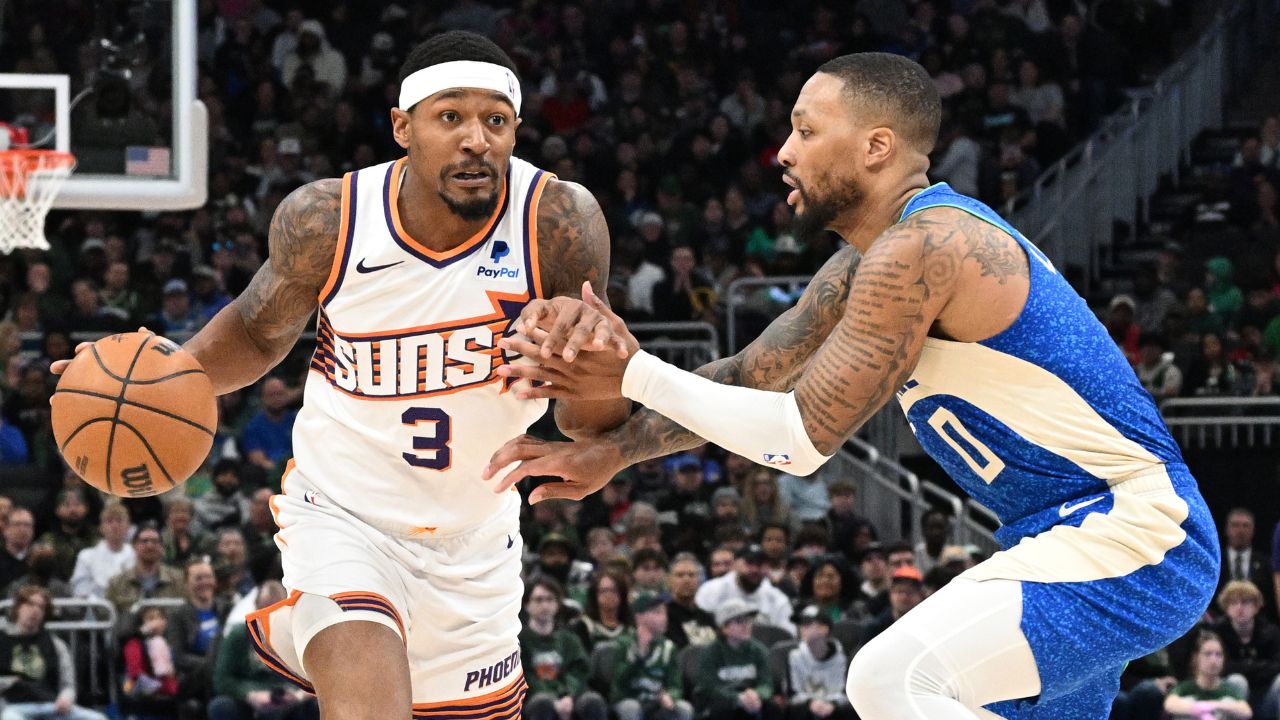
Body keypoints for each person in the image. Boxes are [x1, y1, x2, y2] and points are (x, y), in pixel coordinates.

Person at [486, 51, 1218, 719]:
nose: (783, 152)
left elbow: (799, 439)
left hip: (1132, 531)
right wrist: (616, 452)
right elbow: (749, 375)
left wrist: (635, 372)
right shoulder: (866, 264)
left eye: (806, 131)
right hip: (1057, 537)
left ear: (876, 148)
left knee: (890, 680)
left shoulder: (924, 248)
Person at [52, 30, 631, 720]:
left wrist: (596, 374)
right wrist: (161, 379)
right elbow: (257, 331)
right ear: (402, 128)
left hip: (476, 542)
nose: (476, 138)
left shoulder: (558, 221)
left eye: (495, 121)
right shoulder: (330, 219)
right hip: (344, 518)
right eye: (450, 117)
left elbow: (582, 425)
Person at [0, 585, 108, 720]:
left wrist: (66, 698)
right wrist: (9, 682)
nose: (35, 611)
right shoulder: (2, 639)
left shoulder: (56, 644)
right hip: (11, 706)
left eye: (41, 607)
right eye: (30, 604)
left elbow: (68, 685)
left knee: (98, 718)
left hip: (50, 705)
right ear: (18, 607)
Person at [519, 578, 607, 720]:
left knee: (593, 700)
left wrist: (568, 696)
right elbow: (524, 678)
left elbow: (580, 671)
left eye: (550, 600)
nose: (545, 605)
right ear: (527, 605)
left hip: (569, 697)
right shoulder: (519, 641)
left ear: (557, 605)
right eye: (539, 600)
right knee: (542, 702)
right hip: (533, 700)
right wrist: (554, 700)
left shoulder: (569, 639)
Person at [606, 591, 693, 720]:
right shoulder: (623, 644)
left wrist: (670, 696)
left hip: (656, 701)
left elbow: (675, 684)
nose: (664, 618)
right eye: (657, 613)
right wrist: (639, 655)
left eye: (664, 612)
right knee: (631, 707)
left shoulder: (669, 647)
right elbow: (619, 683)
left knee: (684, 708)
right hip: (628, 699)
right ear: (639, 617)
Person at [693, 598, 778, 720]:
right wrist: (737, 699)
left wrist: (757, 694)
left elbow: (766, 683)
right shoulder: (710, 653)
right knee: (723, 709)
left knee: (772, 708)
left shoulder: (759, 650)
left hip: (751, 700)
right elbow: (709, 688)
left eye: (748, 621)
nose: (746, 625)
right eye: (739, 621)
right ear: (724, 628)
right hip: (721, 704)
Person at [785, 606, 855, 720]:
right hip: (806, 711)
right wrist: (810, 703)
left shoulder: (842, 658)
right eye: (801, 624)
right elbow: (792, 694)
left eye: (807, 624)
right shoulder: (794, 657)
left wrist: (832, 705)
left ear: (824, 628)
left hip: (834, 711)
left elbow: (845, 694)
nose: (801, 628)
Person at [1164, 631, 1252, 719]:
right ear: (1196, 658)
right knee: (1187, 701)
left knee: (1228, 701)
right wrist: (1196, 709)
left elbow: (1246, 711)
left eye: (1218, 654)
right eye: (1207, 654)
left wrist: (1213, 706)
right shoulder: (1186, 687)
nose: (1213, 661)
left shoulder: (1228, 688)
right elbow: (1170, 704)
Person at [69, 501, 135, 599]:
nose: (115, 526)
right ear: (101, 527)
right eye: (109, 521)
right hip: (96, 608)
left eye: (119, 520)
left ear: (128, 526)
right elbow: (80, 589)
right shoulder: (86, 556)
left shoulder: (136, 555)